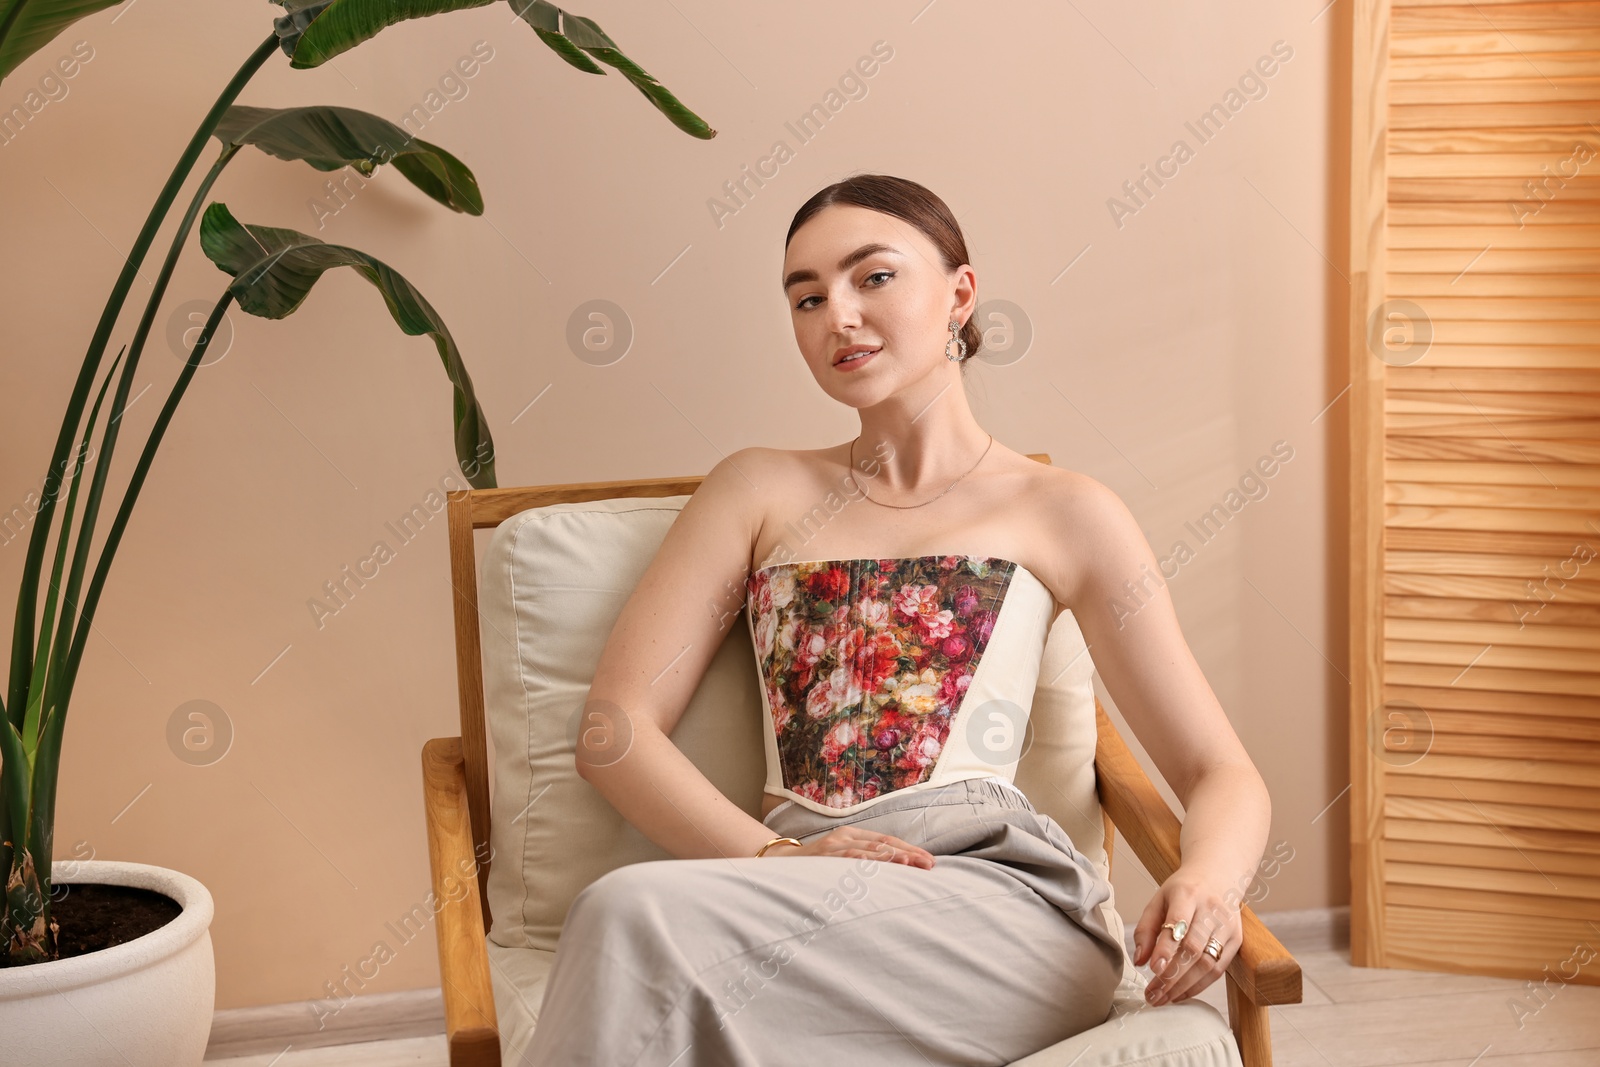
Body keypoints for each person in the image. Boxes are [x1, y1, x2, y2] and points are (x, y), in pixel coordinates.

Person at [521, 174, 1272, 1066]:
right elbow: (613, 730)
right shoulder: (756, 489)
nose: (837, 314)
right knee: (647, 946)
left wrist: (1208, 882)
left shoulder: (1066, 510)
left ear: (960, 292)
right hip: (793, 896)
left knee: (624, 911)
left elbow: (1218, 768)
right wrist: (772, 860)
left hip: (998, 909)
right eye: (807, 296)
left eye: (871, 277)